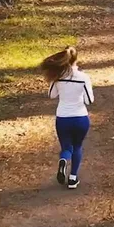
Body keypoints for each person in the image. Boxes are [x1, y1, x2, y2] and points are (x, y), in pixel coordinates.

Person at [41, 46, 94, 189]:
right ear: (76, 59)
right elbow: (89, 100)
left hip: (63, 118)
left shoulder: (58, 77)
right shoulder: (83, 77)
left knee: (66, 146)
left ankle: (63, 159)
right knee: (77, 146)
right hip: (80, 117)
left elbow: (51, 95)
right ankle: (73, 178)